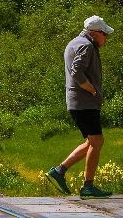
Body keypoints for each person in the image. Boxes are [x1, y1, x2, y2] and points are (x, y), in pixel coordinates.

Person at [46, 15, 112, 198]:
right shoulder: (86, 45)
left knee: (92, 141)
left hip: (78, 102)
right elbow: (77, 71)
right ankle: (88, 186)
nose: (106, 37)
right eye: (105, 34)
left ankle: (59, 171)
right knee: (97, 141)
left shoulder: (75, 42)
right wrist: (92, 90)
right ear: (95, 32)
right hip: (84, 103)